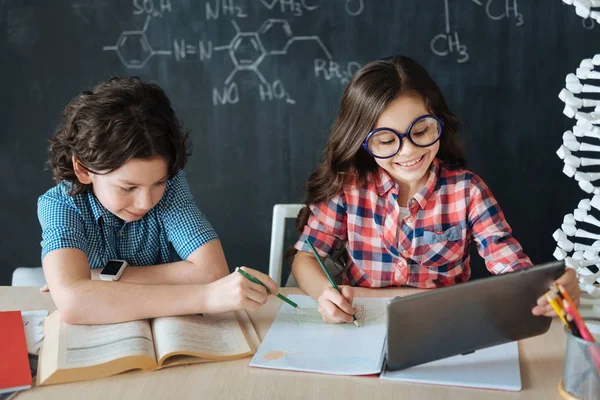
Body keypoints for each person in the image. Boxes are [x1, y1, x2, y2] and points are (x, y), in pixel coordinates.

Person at [291, 55, 580, 323]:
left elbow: (505, 257)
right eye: (386, 140)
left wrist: (542, 286)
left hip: (443, 323)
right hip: (362, 318)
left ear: (439, 122)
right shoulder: (349, 187)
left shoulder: (467, 191)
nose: (408, 151)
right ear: (363, 142)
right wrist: (324, 294)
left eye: (420, 131)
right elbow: (305, 258)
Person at [38, 77, 277, 325]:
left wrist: (96, 279)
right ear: (84, 169)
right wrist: (205, 297)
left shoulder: (172, 186)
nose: (145, 202)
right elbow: (74, 304)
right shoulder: (60, 204)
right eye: (128, 187)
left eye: (159, 183)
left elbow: (212, 272)